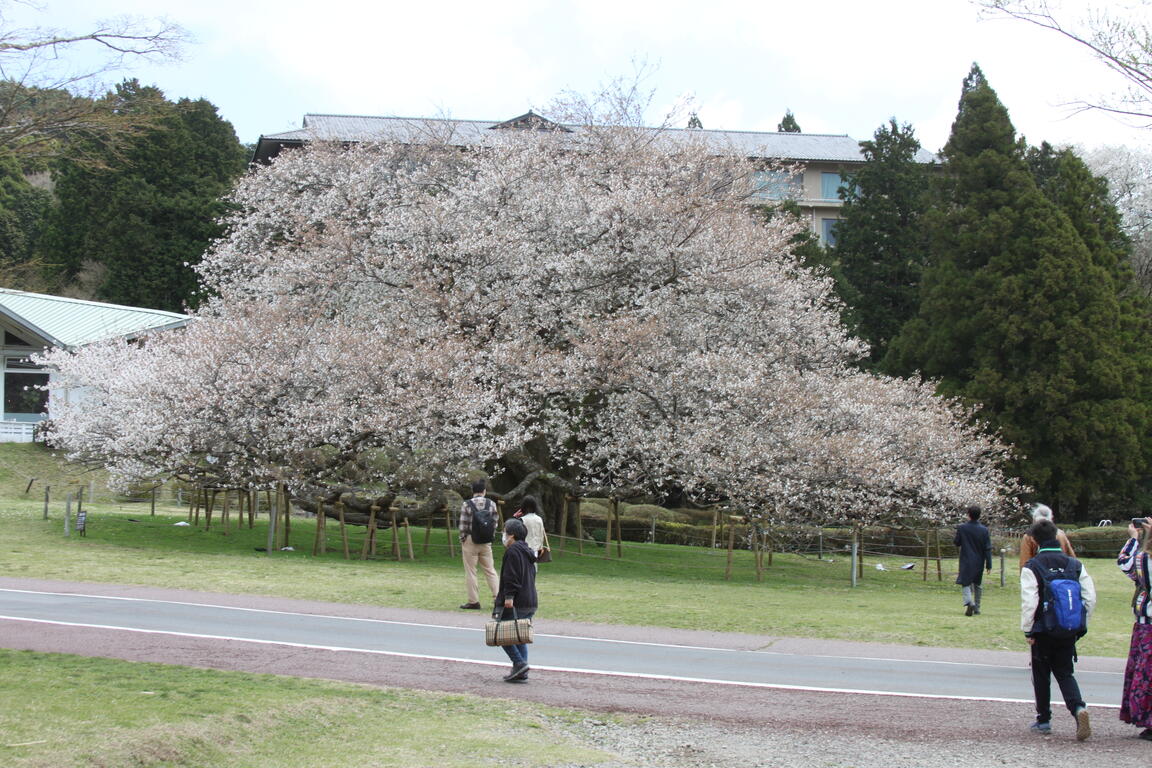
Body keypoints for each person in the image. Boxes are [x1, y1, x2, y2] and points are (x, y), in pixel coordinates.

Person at [1021, 518, 1095, 740]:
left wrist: (1028, 629)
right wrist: (1081, 623)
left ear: (1034, 540)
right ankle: (1078, 708)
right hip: (1068, 627)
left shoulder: (1032, 566)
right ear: (1057, 536)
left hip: (1043, 629)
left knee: (1041, 673)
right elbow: (1089, 597)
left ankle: (1044, 719)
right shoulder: (1075, 564)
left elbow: (1029, 602)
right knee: (1065, 673)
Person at [1119, 516, 1152, 742]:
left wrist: (1134, 539)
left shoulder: (1143, 560)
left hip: (1147, 624)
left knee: (1146, 673)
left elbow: (1124, 563)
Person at [494, 517, 538, 682]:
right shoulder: (527, 551)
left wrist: (509, 597)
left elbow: (511, 576)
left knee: (503, 633)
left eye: (504, 531)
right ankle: (522, 669)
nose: (503, 535)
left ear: (511, 535)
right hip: (530, 600)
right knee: (520, 635)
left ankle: (519, 663)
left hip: (517, 600)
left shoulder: (512, 551)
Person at [458, 478, 499, 610]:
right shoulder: (491, 504)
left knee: (471, 572)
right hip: (486, 542)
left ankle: (473, 601)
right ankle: (498, 598)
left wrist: (463, 538)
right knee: (490, 570)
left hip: (470, 540)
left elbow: (463, 525)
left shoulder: (467, 504)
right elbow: (495, 523)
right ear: (484, 491)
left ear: (473, 491)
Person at [954, 505, 992, 616]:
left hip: (966, 559)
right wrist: (988, 564)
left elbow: (957, 542)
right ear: (979, 515)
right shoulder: (984, 530)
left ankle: (969, 602)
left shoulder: (962, 528)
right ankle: (977, 607)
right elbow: (988, 548)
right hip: (979, 561)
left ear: (968, 514)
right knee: (978, 583)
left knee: (965, 582)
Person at [1018, 503, 1076, 569]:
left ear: (1034, 519)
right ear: (1051, 519)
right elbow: (1072, 558)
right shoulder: (1061, 534)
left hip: (1038, 574)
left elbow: (1025, 563)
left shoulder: (1028, 536)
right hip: (1061, 573)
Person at [515, 495, 546, 562]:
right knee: (532, 569)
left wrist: (515, 518)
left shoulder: (522, 520)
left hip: (524, 549)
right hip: (535, 550)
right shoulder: (539, 519)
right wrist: (540, 547)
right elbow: (541, 535)